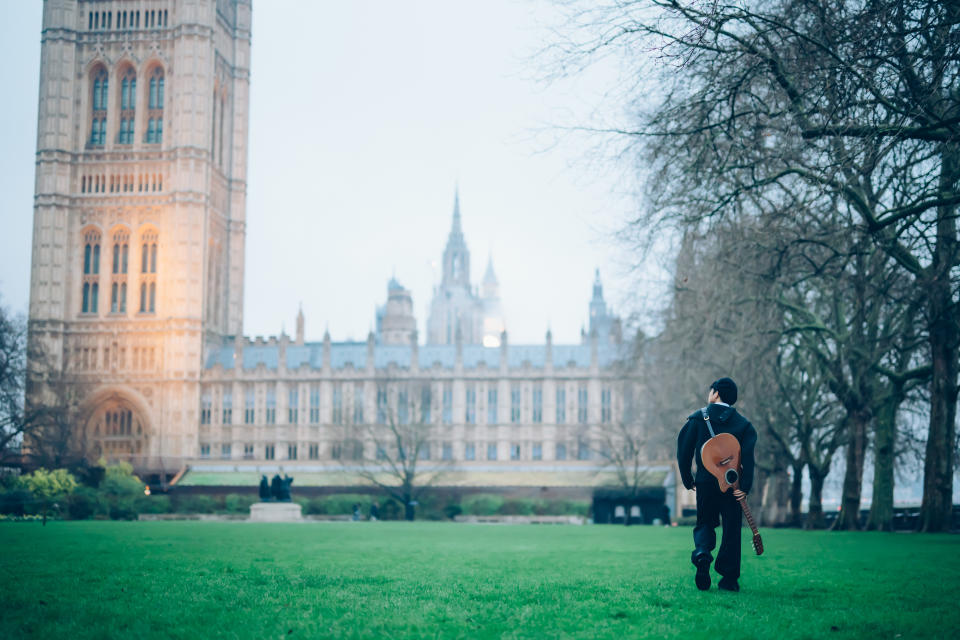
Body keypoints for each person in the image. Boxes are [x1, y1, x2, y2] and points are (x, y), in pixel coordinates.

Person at [676, 377, 757, 592]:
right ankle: (728, 579)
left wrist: (688, 479)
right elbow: (748, 460)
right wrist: (744, 488)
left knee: (705, 523)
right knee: (731, 529)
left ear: (715, 393)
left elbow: (683, 452)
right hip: (733, 485)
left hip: (705, 483)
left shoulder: (697, 419)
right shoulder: (744, 425)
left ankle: (702, 552)